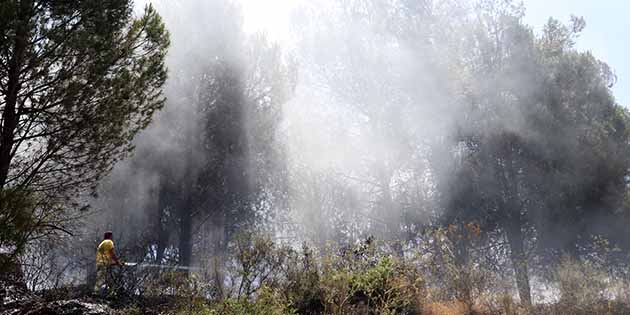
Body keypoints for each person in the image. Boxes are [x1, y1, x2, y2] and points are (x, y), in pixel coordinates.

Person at [94, 231, 121, 296]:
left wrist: (112, 262)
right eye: (112, 236)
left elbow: (106, 254)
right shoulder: (109, 242)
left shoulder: (103, 243)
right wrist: (117, 262)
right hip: (103, 263)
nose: (112, 238)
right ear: (110, 236)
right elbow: (111, 253)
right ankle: (97, 293)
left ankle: (110, 293)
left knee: (104, 278)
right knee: (103, 279)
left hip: (100, 263)